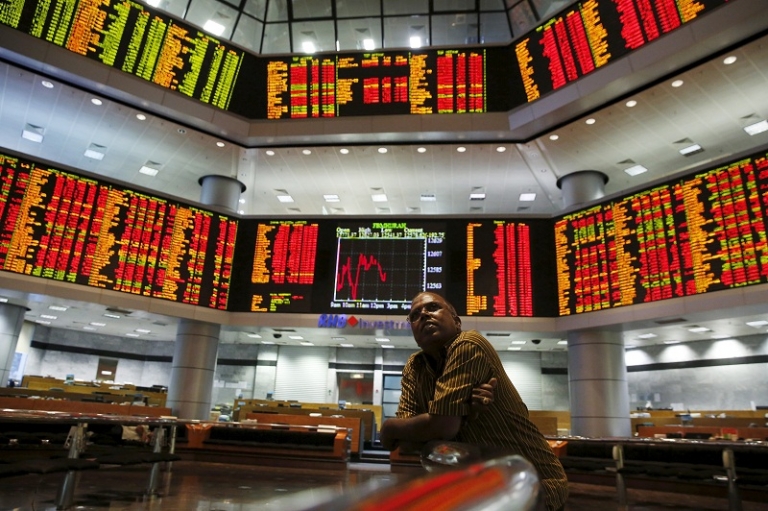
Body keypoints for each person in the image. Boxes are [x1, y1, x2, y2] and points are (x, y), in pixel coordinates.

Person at [380, 292, 568, 511]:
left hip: (533, 483)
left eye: (433, 307)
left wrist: (389, 427)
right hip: (481, 488)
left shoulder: (468, 344)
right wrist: (462, 414)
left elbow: (442, 426)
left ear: (456, 321)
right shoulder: (415, 366)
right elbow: (406, 443)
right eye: (414, 315)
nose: (423, 315)